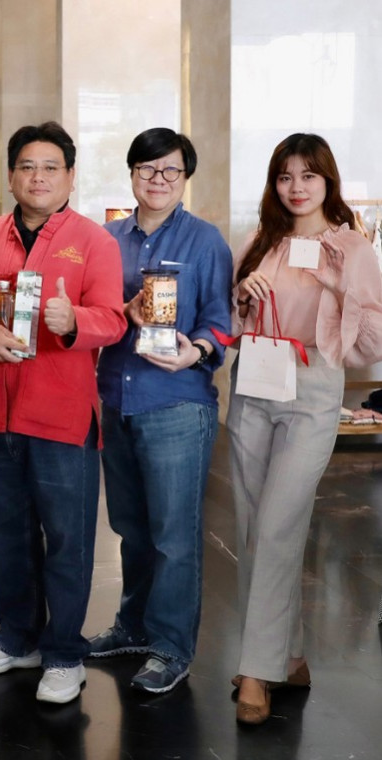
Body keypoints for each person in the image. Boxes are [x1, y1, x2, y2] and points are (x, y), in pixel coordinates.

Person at [0, 122, 126, 704]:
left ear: (70, 176)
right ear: (10, 176)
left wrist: (74, 320)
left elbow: (113, 319)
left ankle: (64, 654)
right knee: (3, 533)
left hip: (60, 414)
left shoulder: (94, 241)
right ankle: (17, 637)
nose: (38, 177)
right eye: (27, 166)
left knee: (67, 539)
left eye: (51, 167)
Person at [226, 133, 382, 724]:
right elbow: (230, 326)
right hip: (253, 382)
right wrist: (242, 298)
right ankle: (286, 657)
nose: (296, 187)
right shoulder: (258, 242)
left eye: (308, 176)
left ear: (327, 182)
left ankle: (256, 672)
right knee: (253, 525)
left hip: (313, 386)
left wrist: (342, 290)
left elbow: (372, 343)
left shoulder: (351, 248)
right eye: (285, 176)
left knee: (278, 524)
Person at [85, 129, 233, 693]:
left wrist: (197, 350)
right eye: (147, 168)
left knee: (174, 536)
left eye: (171, 170)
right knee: (131, 528)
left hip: (176, 403)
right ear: (131, 173)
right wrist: (120, 311)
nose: (158, 180)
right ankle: (133, 626)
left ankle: (171, 647)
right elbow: (96, 312)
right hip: (117, 398)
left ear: (185, 177)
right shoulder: (107, 240)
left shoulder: (205, 240)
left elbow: (220, 319)